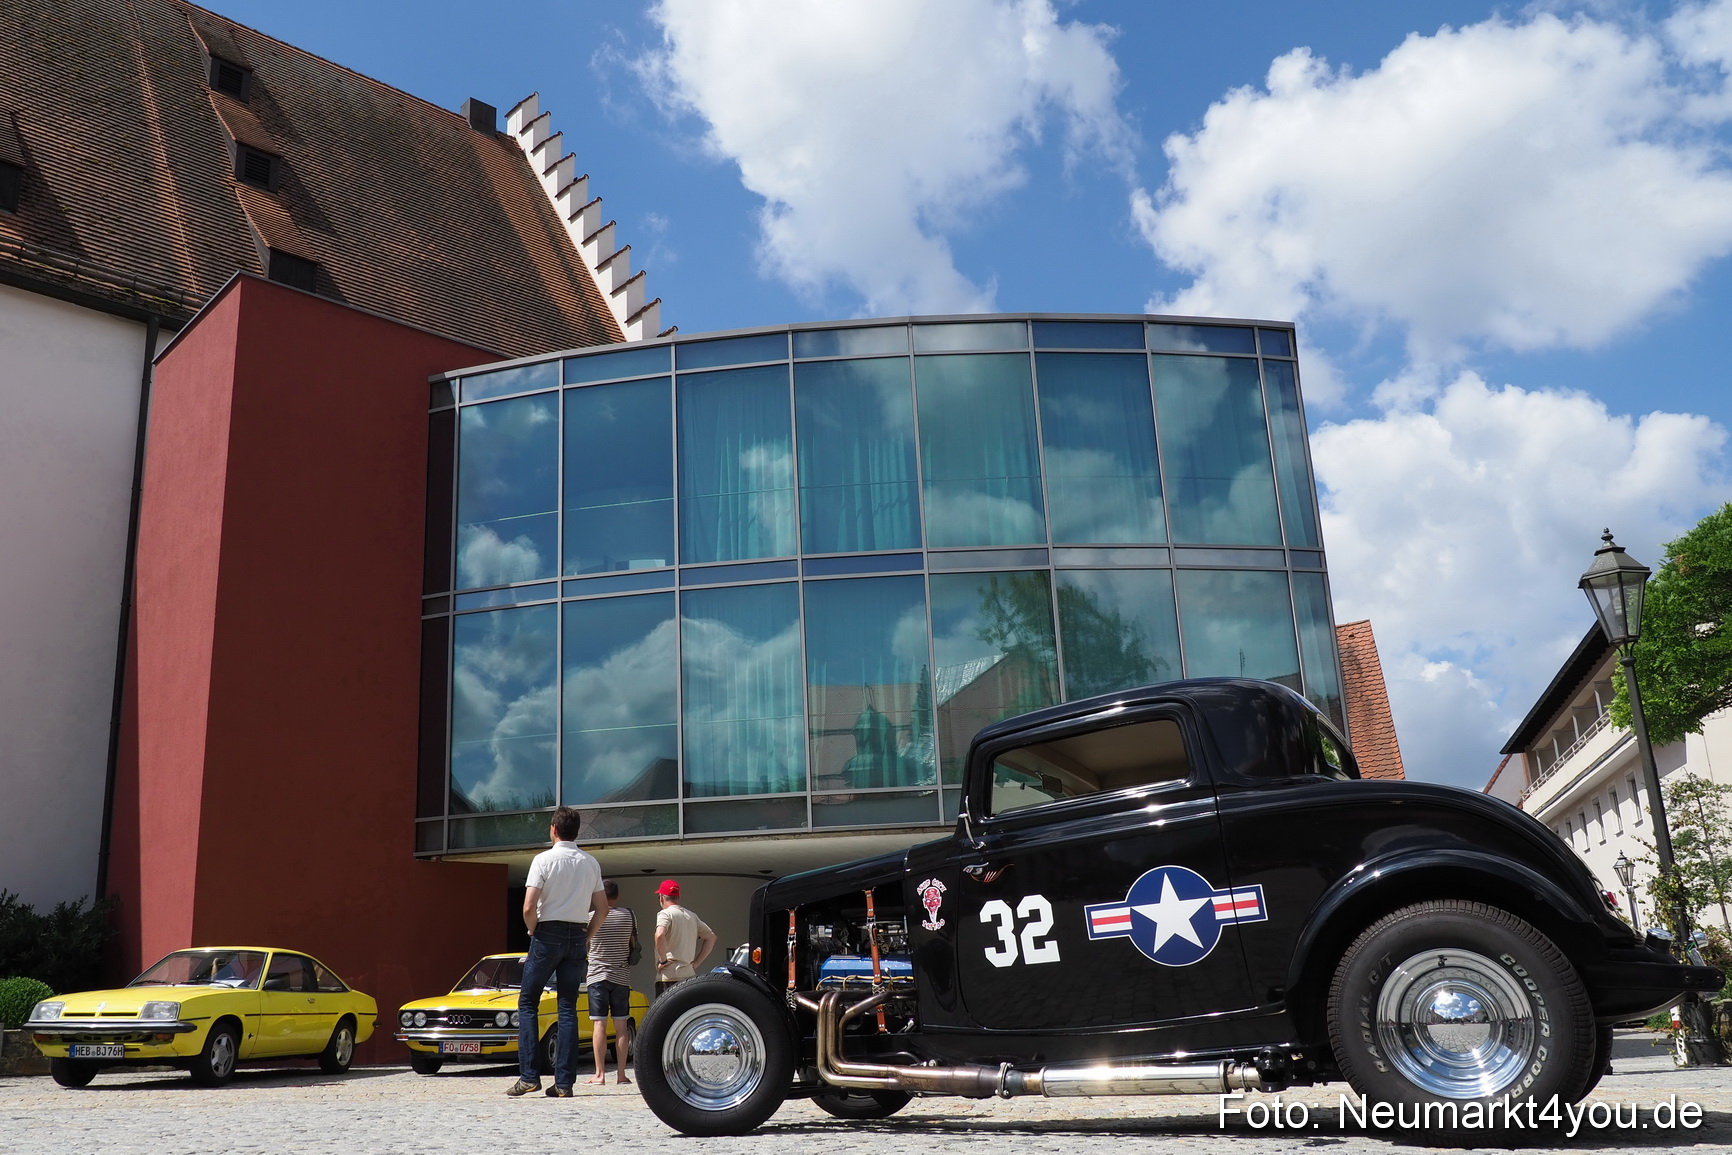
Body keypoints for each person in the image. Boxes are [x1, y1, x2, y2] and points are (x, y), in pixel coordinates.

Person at [508, 806, 605, 1098]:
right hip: (576, 934)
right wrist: (587, 936)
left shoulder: (543, 860)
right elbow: (602, 908)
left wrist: (532, 928)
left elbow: (528, 907)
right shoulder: (590, 863)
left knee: (528, 1003)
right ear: (577, 832)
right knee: (568, 1007)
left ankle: (529, 1076)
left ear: (553, 829)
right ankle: (564, 1082)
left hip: (546, 932)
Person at [586, 880, 635, 1084]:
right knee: (621, 1025)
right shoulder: (629, 916)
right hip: (621, 976)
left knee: (599, 1024)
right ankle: (622, 1074)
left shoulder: (590, 917)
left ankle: (600, 1074)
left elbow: (585, 944)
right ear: (617, 896)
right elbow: (632, 943)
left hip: (597, 975)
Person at [653, 879, 715, 997]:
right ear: (678, 897)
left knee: (667, 1014)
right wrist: (696, 963)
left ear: (661, 897)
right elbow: (711, 937)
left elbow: (660, 934)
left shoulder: (665, 913)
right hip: (688, 977)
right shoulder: (691, 916)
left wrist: (663, 960)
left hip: (668, 977)